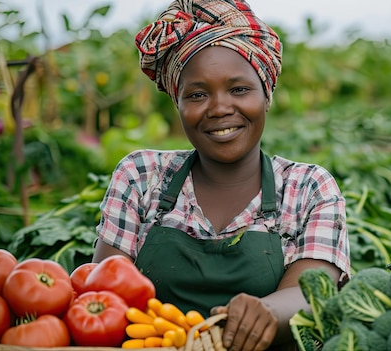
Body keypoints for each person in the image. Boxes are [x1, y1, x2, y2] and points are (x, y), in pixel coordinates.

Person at [91, 0, 350, 350]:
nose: (219, 108)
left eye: (239, 89)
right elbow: (106, 295)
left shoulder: (308, 187)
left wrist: (266, 311)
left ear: (266, 95)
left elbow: (312, 291)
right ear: (177, 104)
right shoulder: (140, 176)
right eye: (197, 94)